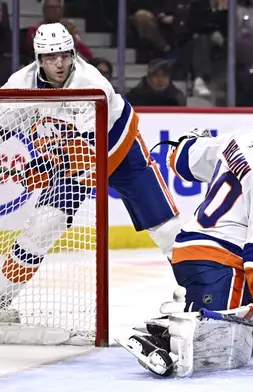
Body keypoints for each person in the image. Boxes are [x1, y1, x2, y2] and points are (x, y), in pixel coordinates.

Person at [117, 102, 253, 377]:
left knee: (247, 319)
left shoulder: (240, 138)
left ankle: (194, 306)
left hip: (193, 248)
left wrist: (187, 143)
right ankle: (167, 332)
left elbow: (184, 159)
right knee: (224, 341)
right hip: (220, 259)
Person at [0, 23, 182, 317]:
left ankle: (203, 294)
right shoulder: (20, 83)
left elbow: (86, 157)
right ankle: (1, 297)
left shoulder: (92, 85)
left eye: (64, 55)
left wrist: (45, 168)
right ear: (38, 59)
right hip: (72, 159)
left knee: (166, 227)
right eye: (50, 57)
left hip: (119, 151)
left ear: (73, 53)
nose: (58, 64)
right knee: (44, 225)